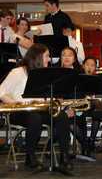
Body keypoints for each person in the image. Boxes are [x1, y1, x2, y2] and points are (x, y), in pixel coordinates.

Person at [0, 44, 73, 173]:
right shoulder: (18, 72)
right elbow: (1, 92)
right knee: (35, 118)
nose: (49, 59)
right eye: (47, 56)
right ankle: (30, 156)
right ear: (38, 57)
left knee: (62, 116)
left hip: (38, 110)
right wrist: (17, 104)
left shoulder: (44, 74)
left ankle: (64, 157)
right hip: (20, 112)